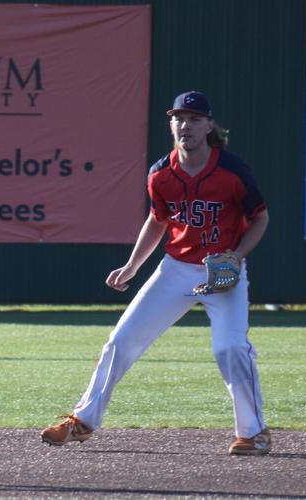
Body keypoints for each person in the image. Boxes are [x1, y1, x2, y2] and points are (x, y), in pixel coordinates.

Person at [41, 91, 272, 455]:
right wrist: (133, 265)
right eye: (180, 118)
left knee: (230, 348)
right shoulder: (161, 174)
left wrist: (238, 256)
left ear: (209, 126)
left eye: (195, 118)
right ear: (171, 124)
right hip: (177, 268)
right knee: (121, 340)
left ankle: (253, 432)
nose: (186, 125)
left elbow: (260, 218)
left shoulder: (232, 171)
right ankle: (83, 421)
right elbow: (158, 220)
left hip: (222, 272)